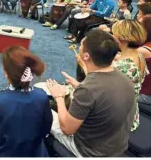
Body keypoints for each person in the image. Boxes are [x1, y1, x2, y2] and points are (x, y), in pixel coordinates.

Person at [47, 29, 135, 157]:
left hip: (90, 152)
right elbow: (102, 96)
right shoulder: (124, 77)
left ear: (86, 56)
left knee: (43, 110)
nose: (79, 48)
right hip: (116, 146)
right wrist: (79, 86)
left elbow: (67, 129)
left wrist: (59, 97)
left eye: (81, 46)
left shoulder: (88, 89)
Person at [111, 20, 147, 131]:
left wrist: (84, 64)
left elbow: (96, 84)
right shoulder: (139, 55)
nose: (112, 37)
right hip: (131, 107)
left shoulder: (123, 66)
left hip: (119, 116)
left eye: (114, 35)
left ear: (123, 40)